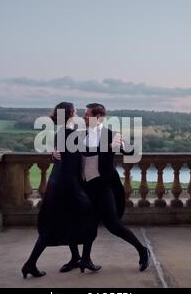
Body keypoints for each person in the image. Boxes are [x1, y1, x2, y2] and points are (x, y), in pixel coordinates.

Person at [55, 103, 150, 273]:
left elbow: (132, 152)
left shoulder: (111, 135)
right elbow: (67, 154)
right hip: (83, 186)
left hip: (103, 186)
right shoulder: (78, 133)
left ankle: (143, 251)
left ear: (98, 117)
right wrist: (53, 155)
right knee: (83, 222)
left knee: (113, 224)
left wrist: (120, 144)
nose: (83, 117)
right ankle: (83, 259)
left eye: (87, 114)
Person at [21, 102, 98, 278]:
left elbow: (62, 158)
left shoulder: (62, 132)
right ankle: (32, 263)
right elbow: (84, 157)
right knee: (87, 219)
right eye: (76, 111)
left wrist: (53, 155)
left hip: (58, 183)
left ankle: (74, 258)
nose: (78, 113)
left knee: (61, 223)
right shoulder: (71, 134)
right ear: (70, 113)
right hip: (67, 185)